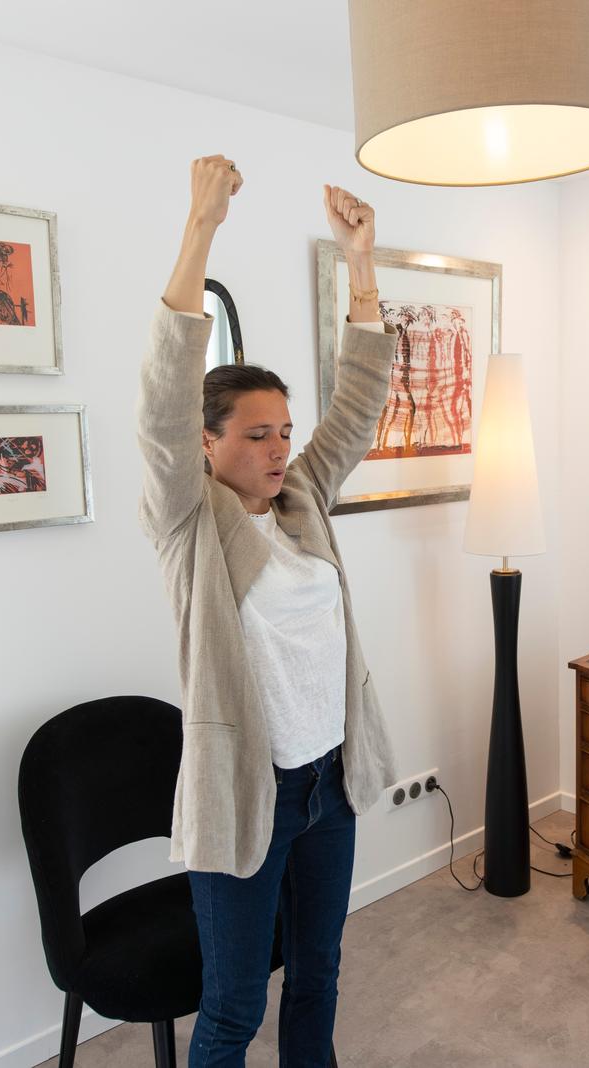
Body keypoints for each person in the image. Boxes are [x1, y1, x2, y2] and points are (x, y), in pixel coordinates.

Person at [136, 154, 399, 1067]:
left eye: (285, 431)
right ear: (205, 446)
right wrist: (200, 224)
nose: (280, 448)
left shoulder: (304, 498)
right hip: (250, 794)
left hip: (328, 782)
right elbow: (161, 397)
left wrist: (361, 266)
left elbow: (360, 400)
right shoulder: (188, 521)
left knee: (319, 976)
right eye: (257, 435)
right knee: (233, 1008)